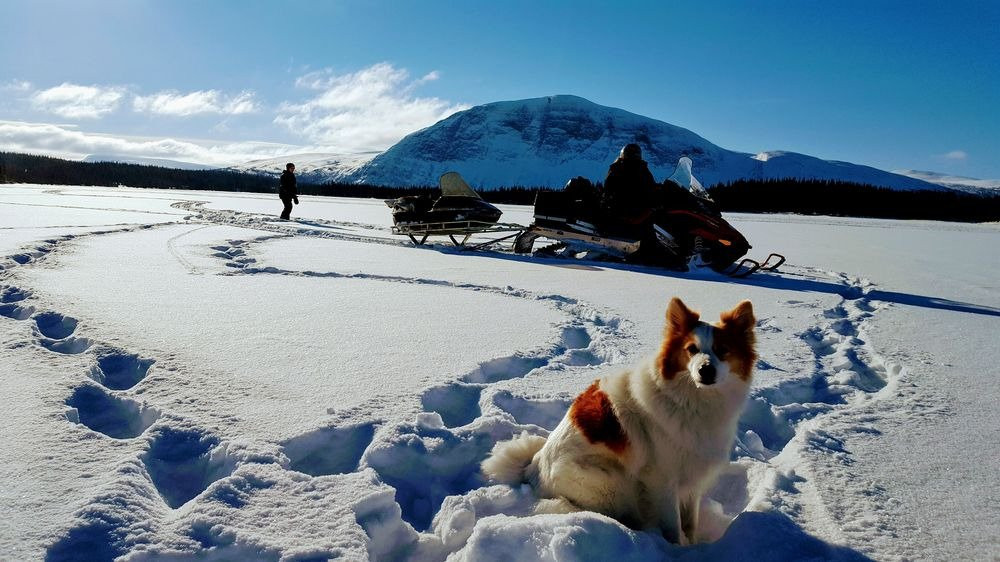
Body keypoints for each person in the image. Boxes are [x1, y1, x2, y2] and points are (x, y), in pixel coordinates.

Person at [600, 143, 660, 232]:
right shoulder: (642, 169)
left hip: (623, 210)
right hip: (630, 212)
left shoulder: (616, 168)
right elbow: (651, 188)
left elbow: (607, 188)